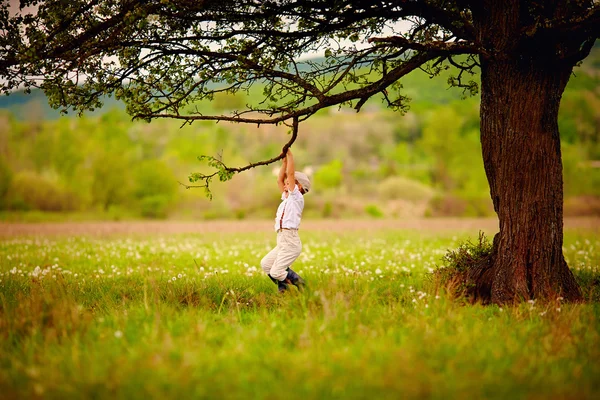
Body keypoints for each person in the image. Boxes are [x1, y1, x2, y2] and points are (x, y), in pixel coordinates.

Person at [260, 148, 310, 293]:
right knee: (266, 264)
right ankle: (283, 287)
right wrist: (284, 161)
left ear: (298, 187)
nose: (286, 184)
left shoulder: (296, 198)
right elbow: (279, 179)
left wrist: (290, 155)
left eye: (290, 183)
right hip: (282, 240)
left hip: (290, 241)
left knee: (276, 272)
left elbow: (290, 173)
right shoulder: (287, 197)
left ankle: (302, 286)